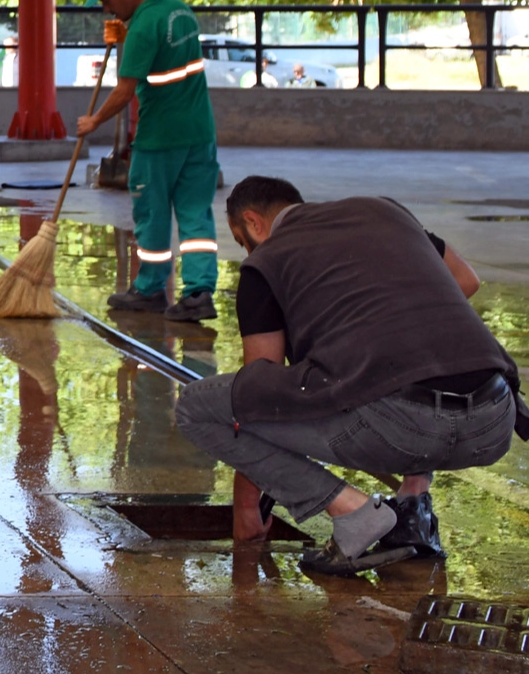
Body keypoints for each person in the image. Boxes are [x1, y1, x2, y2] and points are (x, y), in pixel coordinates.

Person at [176, 176, 527, 575]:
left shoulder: (266, 261)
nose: (247, 250)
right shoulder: (385, 212)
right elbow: (466, 280)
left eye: (242, 240)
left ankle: (355, 512)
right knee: (415, 353)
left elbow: (258, 394)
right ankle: (413, 504)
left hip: (400, 426)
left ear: (253, 223)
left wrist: (244, 506)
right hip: (493, 423)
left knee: (195, 408)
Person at [76, 0, 220, 322]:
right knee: (195, 213)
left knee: (152, 213)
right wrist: (123, 33)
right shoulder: (179, 11)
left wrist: (93, 120)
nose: (107, 9)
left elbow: (125, 90)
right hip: (200, 132)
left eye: (107, 0)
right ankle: (199, 293)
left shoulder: (142, 27)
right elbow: (168, 55)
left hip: (160, 138)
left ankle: (151, 288)